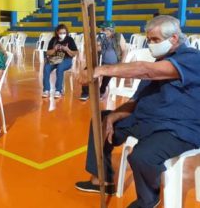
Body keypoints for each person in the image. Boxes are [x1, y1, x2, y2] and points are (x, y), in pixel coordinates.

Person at [75, 15, 200, 208]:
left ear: (174, 38)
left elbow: (146, 70)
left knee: (142, 156)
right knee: (101, 120)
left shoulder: (191, 58)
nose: (150, 44)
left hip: (178, 128)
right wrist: (114, 116)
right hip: (147, 119)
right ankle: (101, 179)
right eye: (149, 39)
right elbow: (136, 100)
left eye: (155, 40)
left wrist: (102, 69)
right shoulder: (160, 59)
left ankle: (148, 199)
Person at [80, 21, 127, 101]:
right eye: (101, 29)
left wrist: (122, 63)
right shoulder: (100, 37)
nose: (101, 31)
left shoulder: (118, 36)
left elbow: (124, 50)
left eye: (103, 29)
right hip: (100, 62)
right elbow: (96, 50)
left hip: (113, 63)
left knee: (108, 72)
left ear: (110, 30)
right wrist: (98, 44)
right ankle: (85, 92)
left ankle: (102, 89)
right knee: (87, 70)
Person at [42, 24, 78, 98]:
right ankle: (46, 90)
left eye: (64, 33)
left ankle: (58, 90)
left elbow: (75, 53)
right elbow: (48, 52)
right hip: (55, 58)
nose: (62, 34)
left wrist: (67, 49)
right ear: (57, 33)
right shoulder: (54, 39)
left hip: (66, 59)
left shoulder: (69, 39)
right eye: (60, 33)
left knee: (60, 67)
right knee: (46, 67)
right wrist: (54, 49)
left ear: (66, 32)